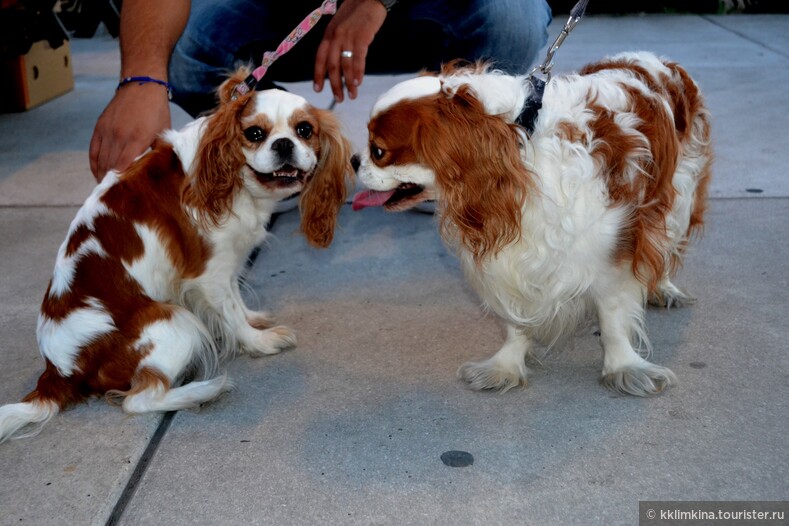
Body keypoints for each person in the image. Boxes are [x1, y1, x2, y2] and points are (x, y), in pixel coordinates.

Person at [89, 0, 553, 181]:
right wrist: (142, 78)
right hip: (289, 14)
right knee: (187, 46)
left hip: (410, 8)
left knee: (513, 16)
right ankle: (266, 158)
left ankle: (438, 166)